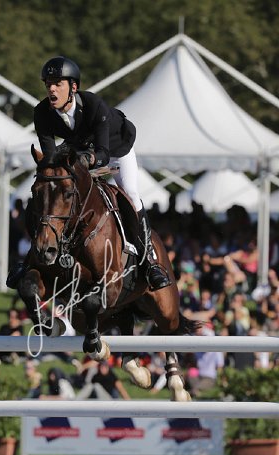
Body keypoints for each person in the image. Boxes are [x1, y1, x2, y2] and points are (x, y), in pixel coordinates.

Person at [9, 56, 170, 291]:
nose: (51, 89)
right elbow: (51, 158)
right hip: (78, 149)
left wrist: (87, 160)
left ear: (73, 87)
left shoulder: (95, 105)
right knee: (50, 193)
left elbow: (103, 154)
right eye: (48, 84)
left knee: (131, 193)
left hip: (115, 149)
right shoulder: (42, 112)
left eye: (58, 84)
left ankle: (150, 262)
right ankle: (30, 260)